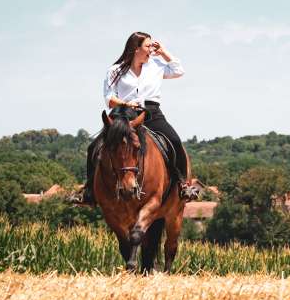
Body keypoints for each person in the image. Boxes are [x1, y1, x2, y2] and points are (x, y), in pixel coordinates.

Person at [74, 31, 199, 204]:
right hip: (123, 115)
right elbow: (109, 99)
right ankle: (88, 191)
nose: (151, 49)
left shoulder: (156, 64)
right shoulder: (115, 70)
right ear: (136, 49)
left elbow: (179, 71)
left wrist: (163, 52)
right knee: (94, 147)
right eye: (148, 46)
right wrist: (125, 104)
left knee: (175, 141)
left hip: (151, 112)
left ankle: (184, 186)